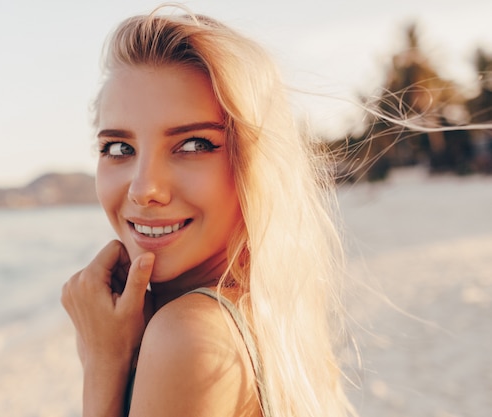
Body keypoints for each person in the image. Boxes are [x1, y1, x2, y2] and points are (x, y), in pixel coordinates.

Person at [61, 4, 356, 417]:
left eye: (194, 144)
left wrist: (102, 365)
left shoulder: (188, 336)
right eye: (119, 148)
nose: (145, 189)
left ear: (255, 164)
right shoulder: (269, 312)